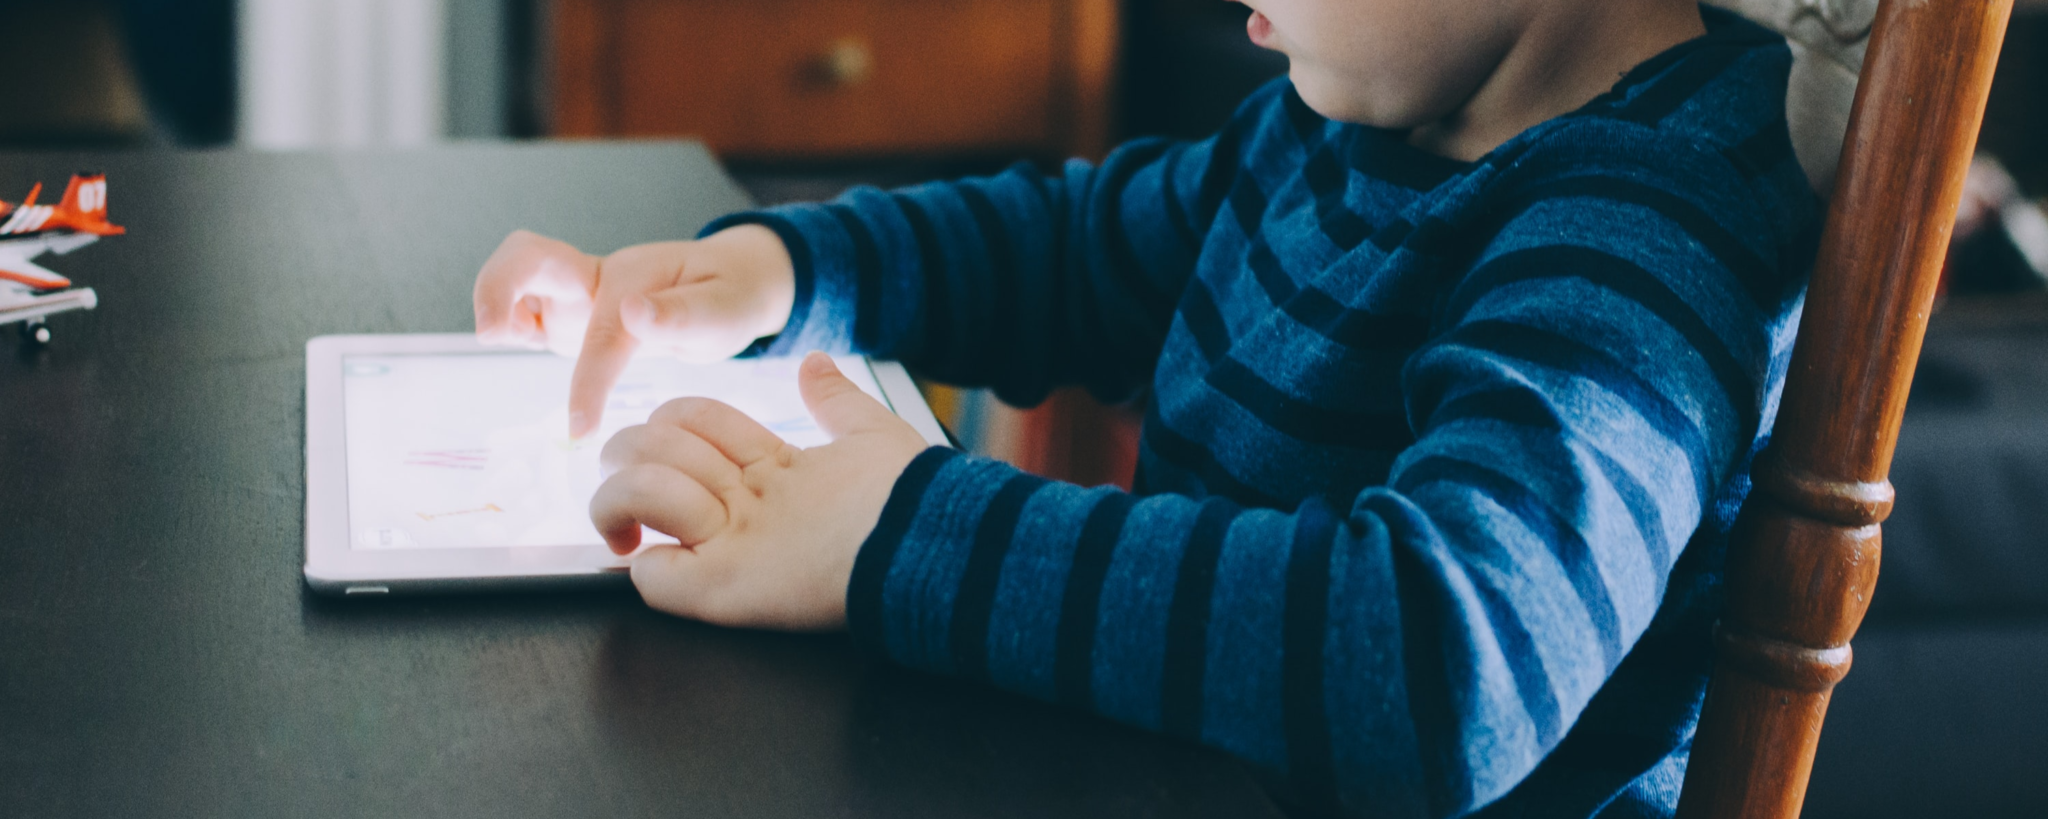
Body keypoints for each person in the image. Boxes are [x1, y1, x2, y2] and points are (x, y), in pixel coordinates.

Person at [470, 0, 1820, 815]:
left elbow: (1439, 660)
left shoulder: (1649, 222)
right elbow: (1075, 250)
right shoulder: (1346, 123)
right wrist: (779, 271)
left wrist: (899, 526)